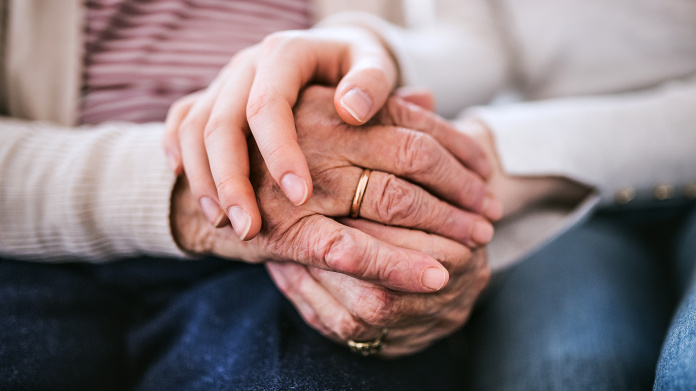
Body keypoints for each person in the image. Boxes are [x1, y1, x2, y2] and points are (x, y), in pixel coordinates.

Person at [165, 0, 696, 389]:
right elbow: (474, 40)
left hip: (545, 170)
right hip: (563, 210)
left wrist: (499, 152)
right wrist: (371, 53)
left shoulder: (502, 163)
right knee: (569, 373)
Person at [0, 1, 496, 390]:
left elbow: (484, 51)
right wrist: (188, 190)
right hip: (31, 238)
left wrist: (367, 46)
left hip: (284, 257)